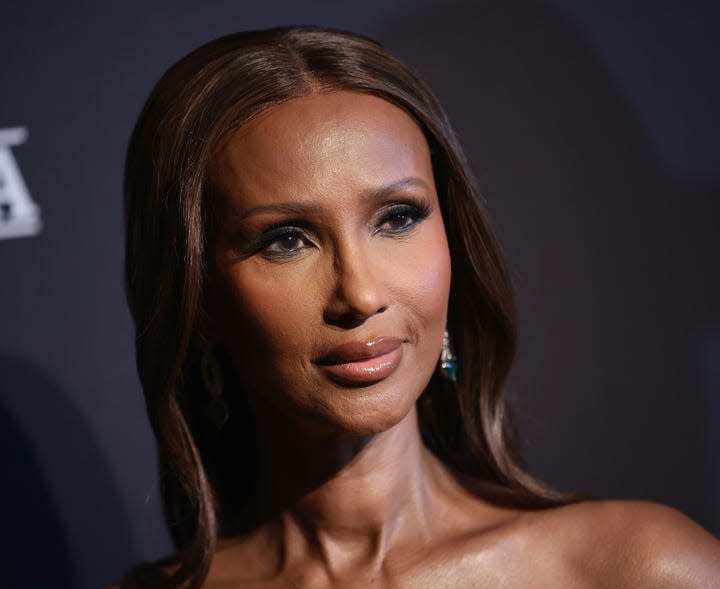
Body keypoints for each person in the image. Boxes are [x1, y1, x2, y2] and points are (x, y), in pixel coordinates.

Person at [119, 26, 720, 588]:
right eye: (285, 240)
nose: (362, 294)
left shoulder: (637, 567)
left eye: (397, 218)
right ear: (197, 298)